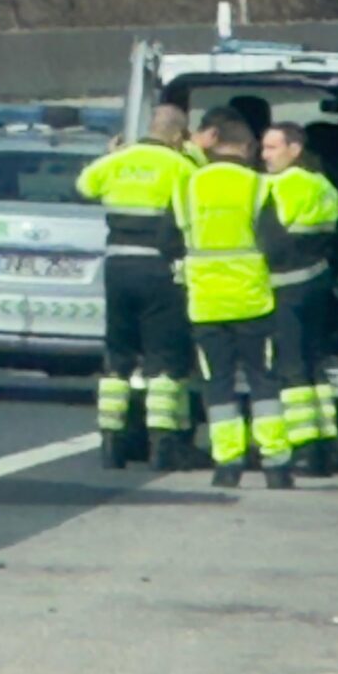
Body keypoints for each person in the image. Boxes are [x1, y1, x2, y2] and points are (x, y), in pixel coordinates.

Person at [174, 113, 295, 489]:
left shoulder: (187, 186)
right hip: (252, 302)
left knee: (218, 384)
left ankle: (227, 465)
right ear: (246, 147)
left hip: (207, 304)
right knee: (264, 381)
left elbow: (169, 239)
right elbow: (276, 244)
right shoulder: (258, 187)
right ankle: (275, 465)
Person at [76, 102, 199, 468]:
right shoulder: (181, 166)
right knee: (163, 358)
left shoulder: (117, 161)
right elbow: (198, 200)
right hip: (159, 269)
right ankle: (163, 443)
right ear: (178, 135)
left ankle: (111, 440)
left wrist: (114, 156)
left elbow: (84, 185)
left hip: (118, 268)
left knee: (119, 354)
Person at [258, 123, 338, 474]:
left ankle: (303, 445)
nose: (264, 156)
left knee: (290, 366)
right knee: (314, 363)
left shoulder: (275, 186)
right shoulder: (323, 185)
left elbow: (269, 240)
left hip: (284, 285)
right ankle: (324, 442)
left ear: (294, 149)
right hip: (316, 282)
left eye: (271, 148)